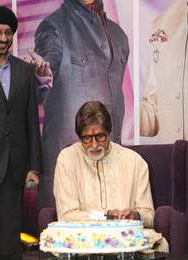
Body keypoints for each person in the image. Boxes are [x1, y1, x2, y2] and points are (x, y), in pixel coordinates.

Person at [50, 100, 169, 260]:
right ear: (79, 137)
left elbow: (148, 214)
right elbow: (66, 214)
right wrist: (105, 217)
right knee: (55, 251)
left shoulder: (135, 162)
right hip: (80, 240)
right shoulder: (67, 159)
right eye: (87, 138)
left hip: (123, 241)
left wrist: (135, 215)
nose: (94, 144)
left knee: (159, 246)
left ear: (109, 133)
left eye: (100, 137)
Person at [34, 0, 129, 208]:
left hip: (111, 161)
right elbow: (40, 84)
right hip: (71, 168)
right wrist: (41, 76)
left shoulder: (119, 35)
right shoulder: (54, 27)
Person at [0, 6, 42, 260]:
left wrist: (33, 165)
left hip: (13, 168)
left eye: (7, 32)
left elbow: (31, 120)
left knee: (9, 243)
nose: (2, 38)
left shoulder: (24, 71)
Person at [140, 0, 188, 210]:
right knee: (178, 239)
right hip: (172, 170)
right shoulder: (161, 22)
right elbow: (152, 106)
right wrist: (114, 114)